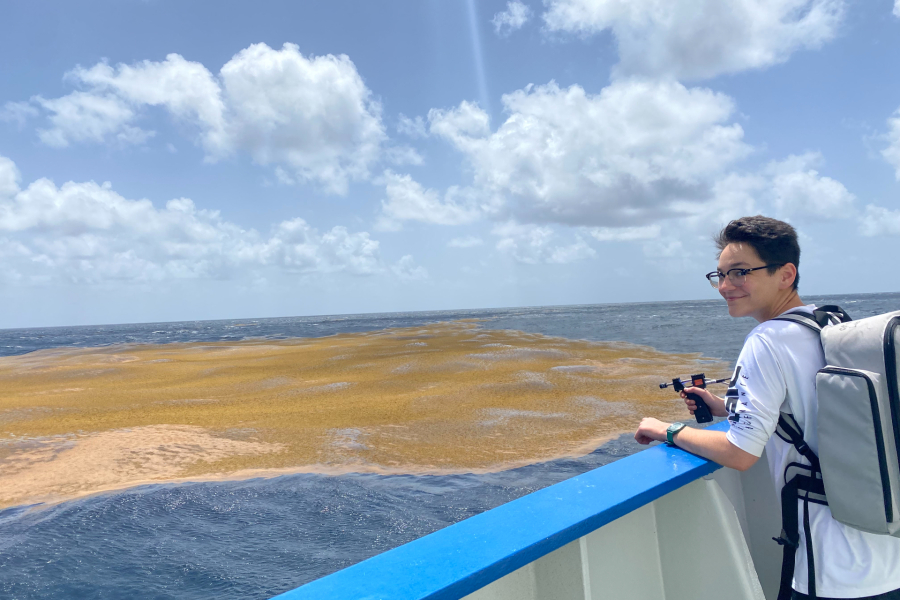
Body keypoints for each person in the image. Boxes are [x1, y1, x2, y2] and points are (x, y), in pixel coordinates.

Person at [634, 215, 900, 600]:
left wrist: (666, 430)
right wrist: (726, 409)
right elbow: (817, 409)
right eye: (720, 275)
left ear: (785, 274)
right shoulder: (828, 325)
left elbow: (740, 454)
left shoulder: (767, 341)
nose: (726, 286)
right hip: (887, 552)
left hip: (835, 571)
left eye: (740, 272)